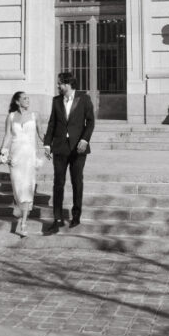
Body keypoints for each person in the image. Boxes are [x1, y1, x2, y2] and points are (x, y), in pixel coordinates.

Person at [43, 72, 95, 234]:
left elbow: (91, 121)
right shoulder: (56, 100)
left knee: (76, 181)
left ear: (67, 84)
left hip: (78, 147)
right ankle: (57, 219)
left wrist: (85, 140)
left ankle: (76, 215)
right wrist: (46, 144)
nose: (57, 86)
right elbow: (52, 123)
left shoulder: (84, 99)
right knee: (58, 182)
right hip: (59, 147)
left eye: (59, 83)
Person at [0, 91, 43, 237]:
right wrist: (2, 153)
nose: (28, 100)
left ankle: (23, 223)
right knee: (18, 188)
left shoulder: (35, 116)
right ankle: (19, 208)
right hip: (15, 158)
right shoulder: (11, 117)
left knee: (27, 189)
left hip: (29, 157)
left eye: (28, 98)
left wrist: (51, 147)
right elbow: (8, 136)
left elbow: (42, 135)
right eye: (24, 98)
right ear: (17, 102)